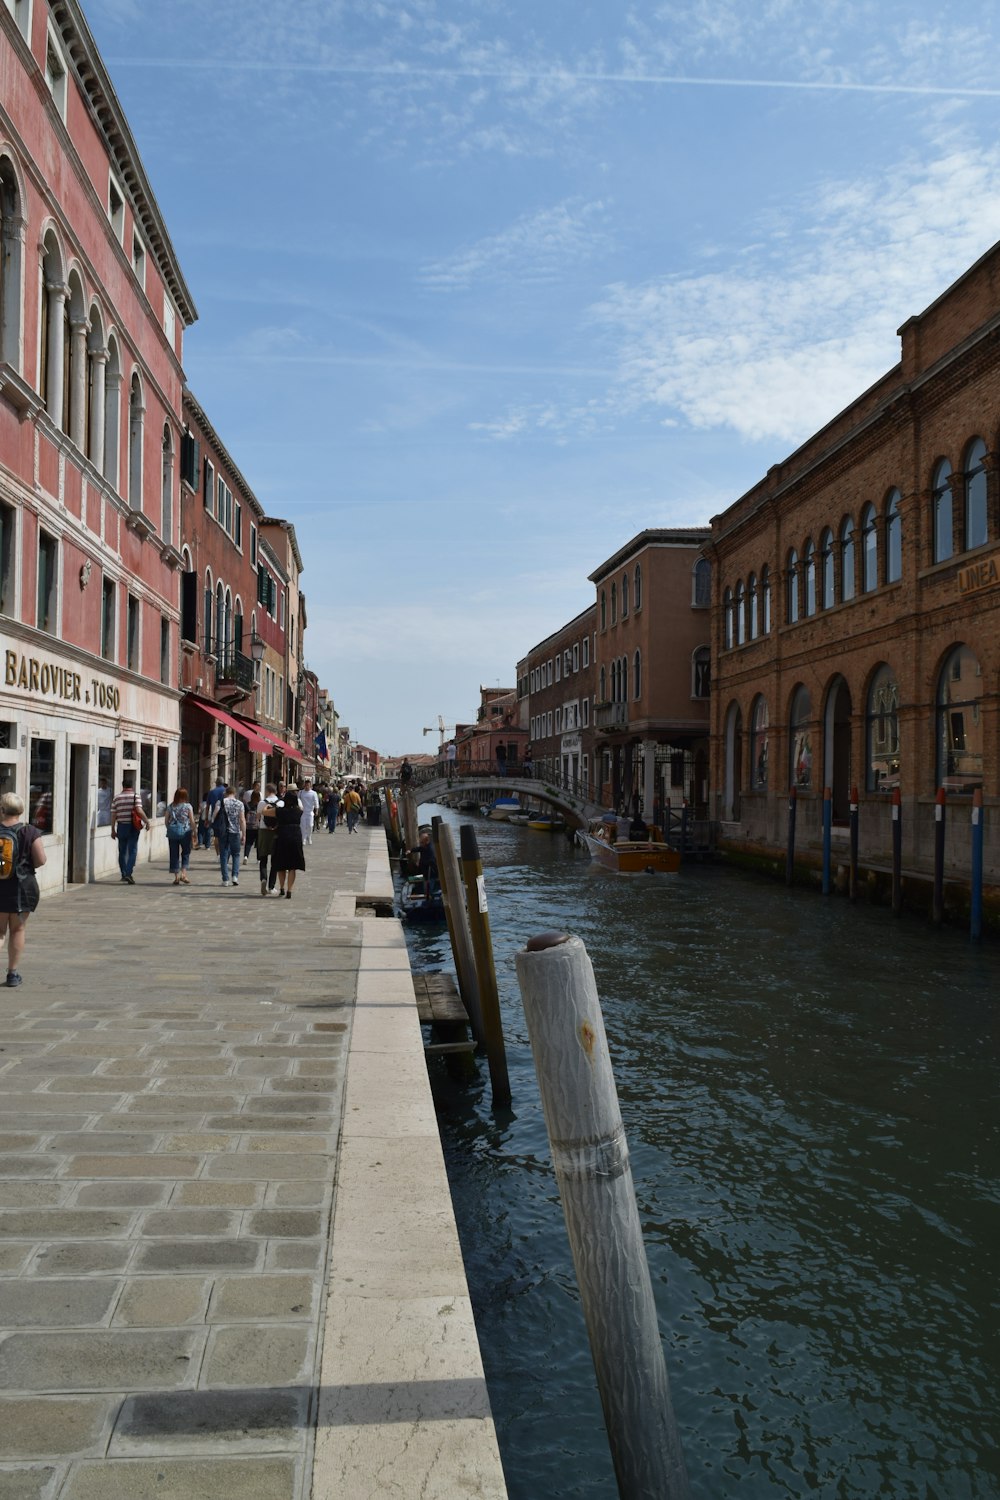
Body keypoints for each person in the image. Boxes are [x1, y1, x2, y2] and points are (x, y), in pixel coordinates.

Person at [0, 792, 46, 987]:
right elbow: (41, 860)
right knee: (18, 929)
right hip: (23, 888)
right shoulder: (30, 832)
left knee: (0, 931)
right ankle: (12, 974)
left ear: (2, 810)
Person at [110, 777, 150, 883]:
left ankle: (123, 874)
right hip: (132, 827)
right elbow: (139, 810)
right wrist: (147, 821)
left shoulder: (116, 798)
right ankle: (128, 873)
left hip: (121, 826)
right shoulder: (135, 796)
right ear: (131, 786)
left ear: (123, 786)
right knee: (132, 851)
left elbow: (113, 815)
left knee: (122, 851)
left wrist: (113, 829)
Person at [273, 785, 305, 898]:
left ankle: (281, 888)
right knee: (292, 866)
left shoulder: (279, 811)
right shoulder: (299, 811)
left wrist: (267, 806)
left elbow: (264, 812)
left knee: (281, 864)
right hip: (295, 836)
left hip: (282, 836)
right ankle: (289, 890)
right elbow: (301, 809)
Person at [217, 784, 246, 887]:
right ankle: (235, 876)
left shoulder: (221, 802)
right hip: (235, 832)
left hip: (223, 832)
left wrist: (213, 823)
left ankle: (225, 880)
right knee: (236, 854)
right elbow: (242, 820)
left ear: (226, 793)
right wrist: (244, 834)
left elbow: (214, 814)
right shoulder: (240, 804)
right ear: (235, 793)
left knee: (224, 856)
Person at [165, 787, 196, 885]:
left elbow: (166, 821)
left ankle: (176, 877)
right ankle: (183, 873)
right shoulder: (188, 807)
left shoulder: (170, 807)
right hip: (185, 832)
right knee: (186, 852)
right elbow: (191, 820)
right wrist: (194, 831)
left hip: (173, 834)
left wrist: (171, 829)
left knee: (174, 853)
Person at [257, 783, 279, 896]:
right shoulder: (281, 803)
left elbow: (258, 817)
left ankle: (263, 879)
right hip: (276, 832)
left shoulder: (262, 803)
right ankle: (271, 886)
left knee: (263, 859)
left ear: (267, 791)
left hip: (263, 831)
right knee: (275, 860)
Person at [299, 779, 319, 845]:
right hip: (303, 812)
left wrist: (316, 810)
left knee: (310, 825)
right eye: (306, 785)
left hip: (310, 812)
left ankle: (309, 837)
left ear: (310, 785)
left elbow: (316, 802)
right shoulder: (301, 792)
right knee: (303, 826)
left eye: (308, 785)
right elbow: (298, 801)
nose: (307, 786)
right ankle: (303, 839)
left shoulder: (313, 793)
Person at [244, 790, 261, 861]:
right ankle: (259, 859)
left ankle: (246, 856)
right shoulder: (260, 805)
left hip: (249, 827)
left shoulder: (247, 804)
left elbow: (244, 815)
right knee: (258, 844)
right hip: (257, 827)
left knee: (248, 843)